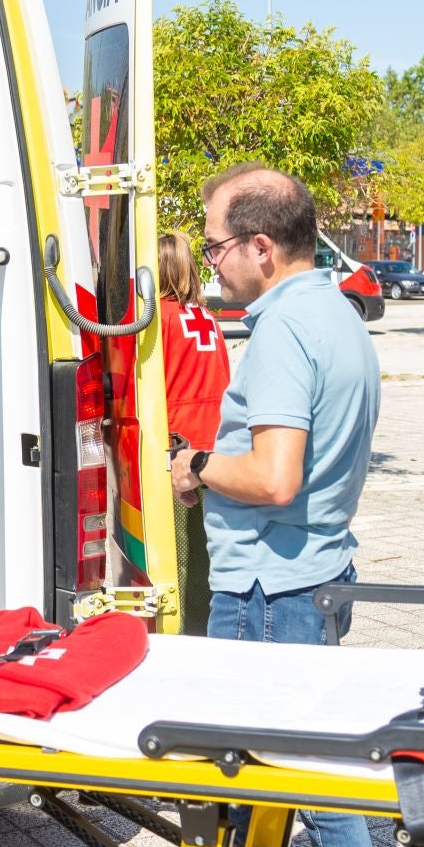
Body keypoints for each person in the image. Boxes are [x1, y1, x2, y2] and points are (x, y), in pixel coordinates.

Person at [169, 164, 387, 847]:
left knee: (272, 789)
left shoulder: (284, 330)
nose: (212, 260)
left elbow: (273, 476)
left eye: (220, 244)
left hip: (271, 587)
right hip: (318, 570)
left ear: (263, 245)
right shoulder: (335, 311)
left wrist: (194, 465)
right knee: (316, 775)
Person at [156, 230, 232, 637]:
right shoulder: (207, 318)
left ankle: (182, 633)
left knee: (178, 554)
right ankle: (206, 627)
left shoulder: (158, 319)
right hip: (215, 446)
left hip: (178, 447)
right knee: (207, 551)